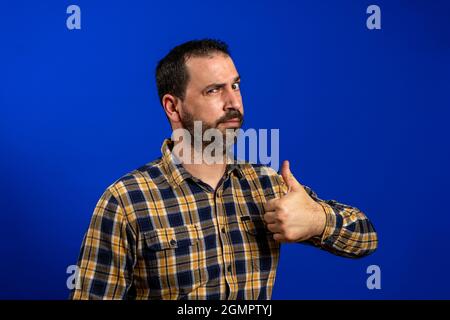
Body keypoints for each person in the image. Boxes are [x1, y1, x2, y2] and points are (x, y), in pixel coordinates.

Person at [70, 39, 378, 300]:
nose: (234, 102)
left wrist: (317, 220)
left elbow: (366, 238)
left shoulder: (267, 185)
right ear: (173, 107)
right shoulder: (126, 201)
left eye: (236, 85)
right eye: (213, 91)